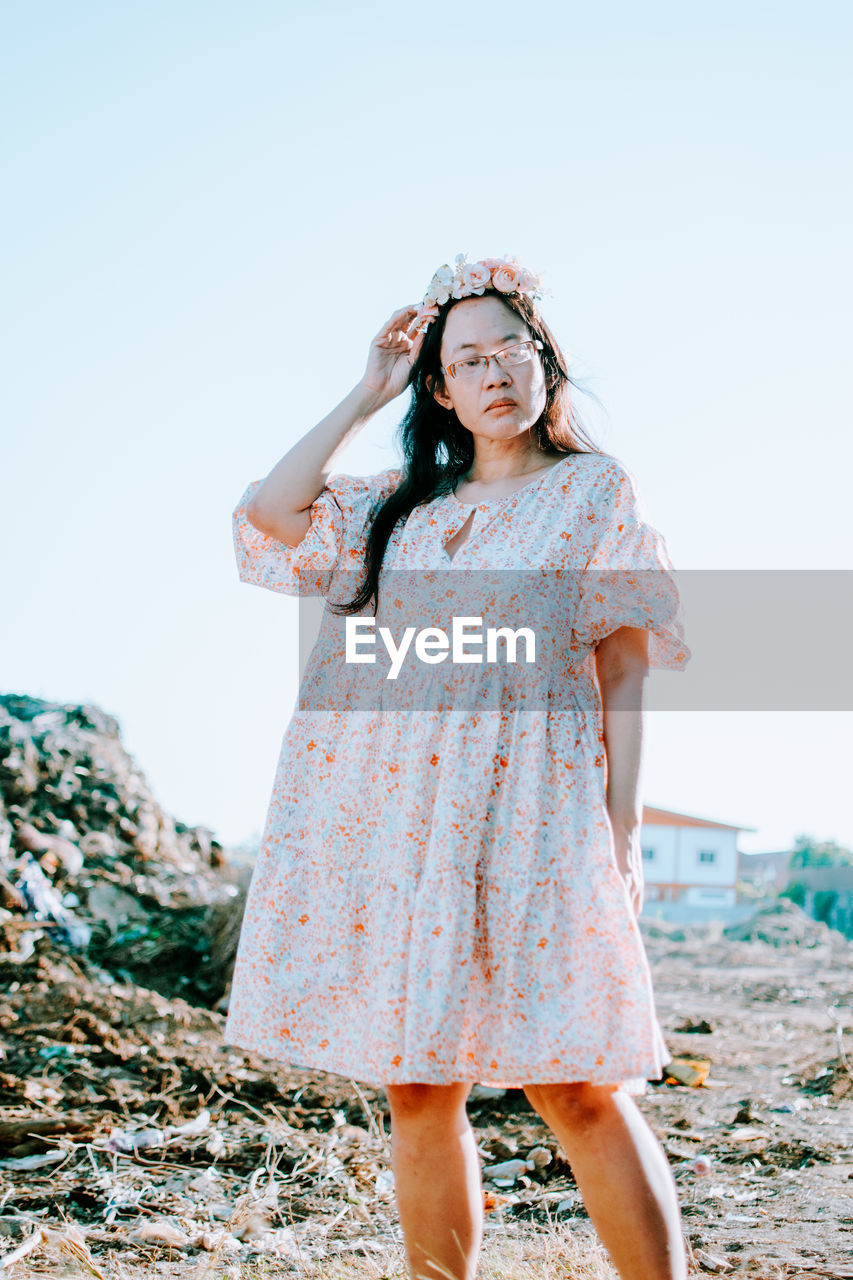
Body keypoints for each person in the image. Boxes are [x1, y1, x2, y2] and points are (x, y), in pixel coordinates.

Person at [224, 253, 692, 1280]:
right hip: (400, 821)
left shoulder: (591, 491)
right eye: (465, 359)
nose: (492, 373)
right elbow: (269, 513)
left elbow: (623, 662)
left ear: (542, 363)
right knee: (418, 1084)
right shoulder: (398, 508)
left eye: (508, 350)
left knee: (578, 1080)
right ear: (438, 386)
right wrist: (364, 391)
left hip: (538, 811)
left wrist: (619, 827)